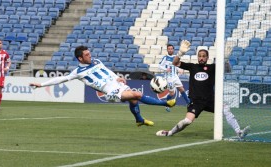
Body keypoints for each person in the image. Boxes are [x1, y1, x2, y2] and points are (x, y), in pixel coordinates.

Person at [30, 46, 176, 126]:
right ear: (80, 58)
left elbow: (107, 71)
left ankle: (139, 120)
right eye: (86, 55)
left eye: (89, 53)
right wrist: (41, 84)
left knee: (133, 100)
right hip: (110, 92)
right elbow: (60, 80)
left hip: (116, 84)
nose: (90, 55)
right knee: (136, 95)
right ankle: (166, 103)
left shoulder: (97, 61)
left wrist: (117, 77)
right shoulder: (78, 72)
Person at [156, 40, 250, 139]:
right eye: (199, 56)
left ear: (207, 58)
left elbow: (228, 70)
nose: (201, 58)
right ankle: (170, 132)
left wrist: (225, 59)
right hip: (196, 101)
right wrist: (180, 53)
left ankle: (239, 132)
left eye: (203, 56)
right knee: (187, 121)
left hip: (210, 100)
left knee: (226, 109)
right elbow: (174, 63)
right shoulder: (192, 66)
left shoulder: (212, 67)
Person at [158, 44, 190, 112]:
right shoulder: (165, 58)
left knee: (182, 89)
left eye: (171, 49)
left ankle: (188, 103)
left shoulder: (175, 57)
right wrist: (165, 69)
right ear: (167, 50)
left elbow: (176, 66)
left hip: (175, 76)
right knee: (172, 93)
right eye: (169, 49)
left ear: (173, 49)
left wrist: (179, 70)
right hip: (169, 78)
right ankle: (166, 104)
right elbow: (160, 66)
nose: (170, 50)